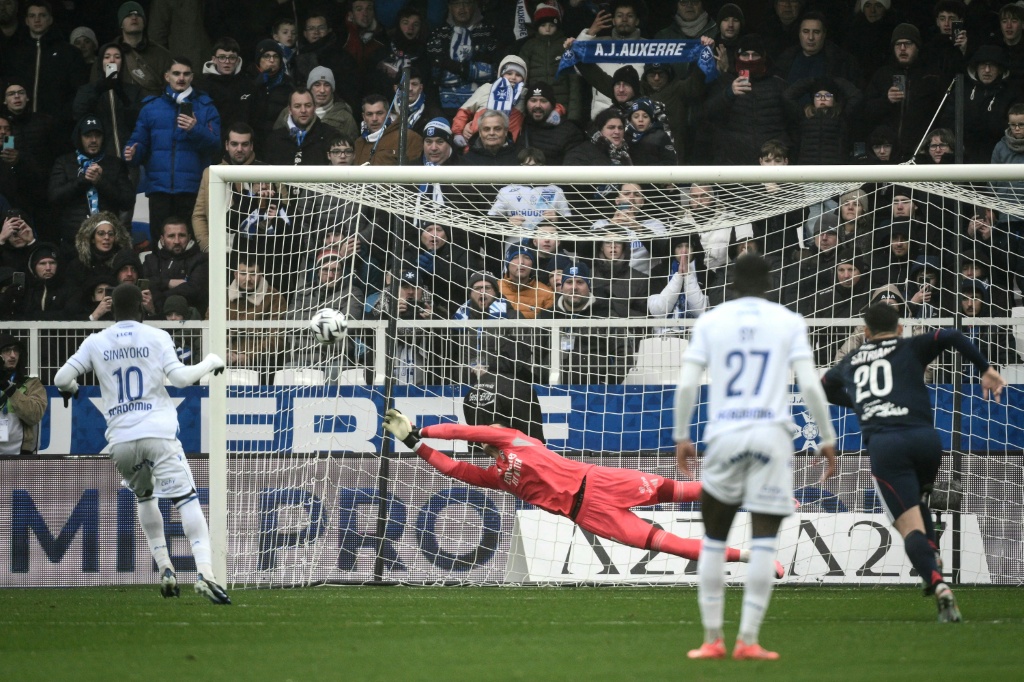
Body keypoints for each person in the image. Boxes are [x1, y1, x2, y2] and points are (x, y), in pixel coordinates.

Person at [380, 409, 782, 577]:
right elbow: (454, 468)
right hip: (589, 515)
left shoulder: (512, 438)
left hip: (600, 481)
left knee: (682, 491)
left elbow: (464, 432)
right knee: (669, 544)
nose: (480, 445)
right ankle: (754, 558)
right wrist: (415, 443)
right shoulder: (497, 476)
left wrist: (425, 431)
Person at [675, 253, 838, 660]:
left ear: (731, 283)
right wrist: (828, 437)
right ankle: (748, 640)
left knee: (713, 540)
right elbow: (812, 386)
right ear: (769, 283)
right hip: (771, 437)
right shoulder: (788, 321)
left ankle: (712, 639)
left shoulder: (711, 321)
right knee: (764, 541)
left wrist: (681, 435)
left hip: (725, 434)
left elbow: (688, 383)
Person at [822, 303, 1009, 622]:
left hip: (887, 446)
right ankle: (932, 554)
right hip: (926, 441)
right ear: (900, 328)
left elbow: (825, 387)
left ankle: (938, 586)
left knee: (908, 526)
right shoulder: (911, 345)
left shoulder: (851, 361)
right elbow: (950, 334)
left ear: (865, 333)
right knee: (921, 498)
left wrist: (862, 401)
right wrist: (985, 368)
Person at [53, 282, 230, 604]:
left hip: (121, 439)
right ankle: (205, 572)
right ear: (143, 308)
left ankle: (165, 567)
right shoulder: (156, 336)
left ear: (113, 307)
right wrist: (212, 361)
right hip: (158, 432)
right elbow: (179, 379)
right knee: (186, 499)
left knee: (146, 497)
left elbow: (61, 379)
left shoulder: (96, 341)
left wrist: (73, 390)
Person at [124, 57, 221, 245]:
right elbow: (138, 143)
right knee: (160, 244)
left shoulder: (206, 107)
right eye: (176, 73)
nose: (181, 78)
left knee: (190, 244)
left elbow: (216, 145)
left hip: (192, 188)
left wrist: (195, 129)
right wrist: (130, 154)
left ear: (192, 77)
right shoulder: (151, 108)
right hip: (159, 188)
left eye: (186, 74)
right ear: (167, 76)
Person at [48, 115, 136, 247]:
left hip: (108, 239)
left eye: (97, 135)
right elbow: (54, 197)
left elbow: (127, 201)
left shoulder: (115, 164)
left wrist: (100, 182)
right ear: (79, 138)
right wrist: (83, 180)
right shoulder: (64, 162)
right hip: (73, 237)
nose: (93, 140)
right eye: (88, 136)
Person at [0, 333, 47, 454]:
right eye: (7, 350)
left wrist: (8, 388)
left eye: (16, 350)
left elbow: (34, 415)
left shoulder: (32, 384)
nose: (13, 355)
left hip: (22, 458)